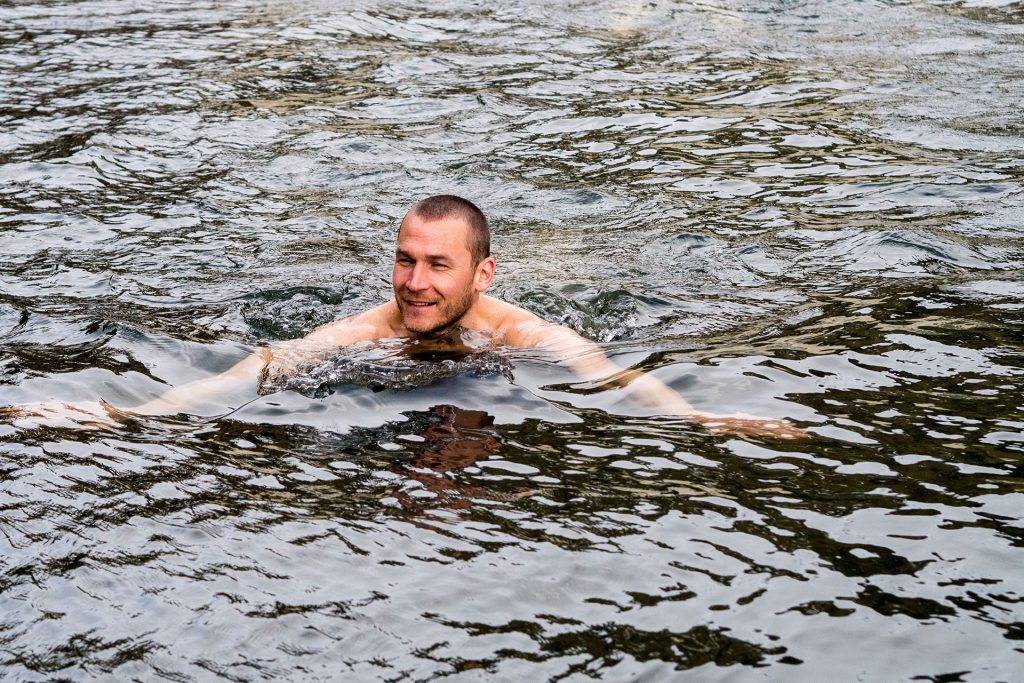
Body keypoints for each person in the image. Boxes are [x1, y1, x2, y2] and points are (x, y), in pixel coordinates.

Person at [8, 195, 805, 438]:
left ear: (482, 273)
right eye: (403, 258)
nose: (413, 282)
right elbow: (263, 367)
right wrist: (128, 414)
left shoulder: (524, 333)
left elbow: (615, 377)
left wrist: (706, 420)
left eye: (436, 265)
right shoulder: (368, 328)